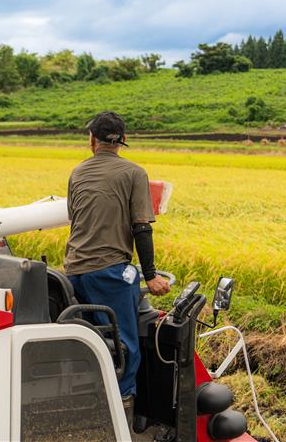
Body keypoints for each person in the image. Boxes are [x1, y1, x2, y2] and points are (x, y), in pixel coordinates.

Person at [64, 111, 171, 425]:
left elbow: (76, 219)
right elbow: (141, 227)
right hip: (109, 272)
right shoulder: (134, 173)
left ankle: (88, 411)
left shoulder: (77, 172)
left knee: (87, 342)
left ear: (92, 140)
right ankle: (122, 418)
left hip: (73, 271)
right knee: (124, 345)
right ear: (121, 142)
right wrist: (150, 275)